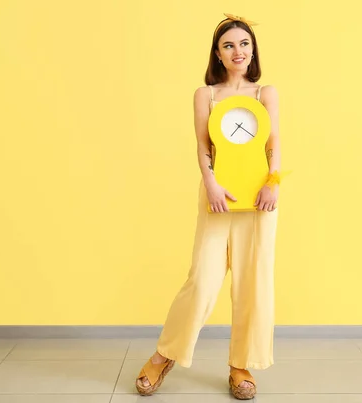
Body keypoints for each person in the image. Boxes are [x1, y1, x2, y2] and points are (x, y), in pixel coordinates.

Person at [135, 13, 282, 400]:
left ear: (253, 50)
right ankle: (164, 354)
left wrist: (273, 182)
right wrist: (210, 184)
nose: (238, 51)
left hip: (259, 202)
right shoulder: (207, 95)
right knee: (202, 280)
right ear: (217, 54)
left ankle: (240, 366)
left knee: (253, 283)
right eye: (229, 45)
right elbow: (203, 148)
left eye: (244, 44)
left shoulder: (265, 93)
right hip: (217, 199)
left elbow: (274, 145)